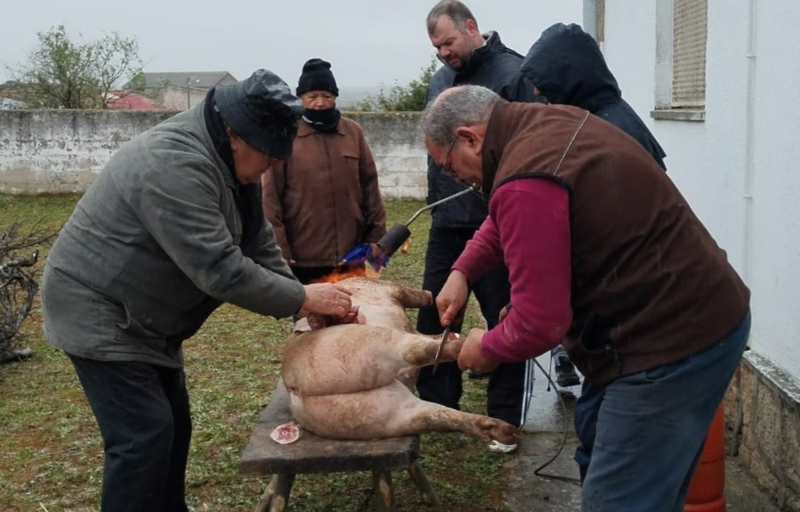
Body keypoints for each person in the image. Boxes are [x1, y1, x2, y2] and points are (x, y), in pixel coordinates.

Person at [421, 85, 750, 510]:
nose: (456, 179)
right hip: (681, 314)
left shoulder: (524, 176)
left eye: (449, 167)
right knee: (613, 458)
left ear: (469, 138)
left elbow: (538, 323)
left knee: (619, 500)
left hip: (669, 341)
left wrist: (485, 348)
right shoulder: (540, 124)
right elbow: (505, 218)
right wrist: (463, 271)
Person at [41, 69, 355, 512]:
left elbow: (257, 240)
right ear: (234, 134)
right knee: (143, 438)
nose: (271, 166)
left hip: (147, 318)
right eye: (268, 156)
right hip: (99, 310)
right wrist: (304, 298)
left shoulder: (230, 158)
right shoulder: (173, 164)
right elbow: (220, 269)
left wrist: (297, 300)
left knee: (173, 427)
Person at [515, 22, 669, 390]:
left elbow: (621, 228)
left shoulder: (614, 131)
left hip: (634, 310)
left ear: (571, 78)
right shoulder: (599, 119)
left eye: (544, 81)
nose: (537, 92)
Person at [416, 0, 535, 451]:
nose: (443, 53)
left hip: (497, 221)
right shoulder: (439, 81)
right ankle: (440, 408)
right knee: (434, 315)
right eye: (436, 48)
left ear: (471, 27)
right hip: (446, 222)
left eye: (448, 42)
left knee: (504, 316)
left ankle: (503, 422)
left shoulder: (514, 74)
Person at [261, 58, 387, 284]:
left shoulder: (353, 132)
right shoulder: (286, 135)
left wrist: (376, 237)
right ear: (300, 98)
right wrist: (280, 247)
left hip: (351, 254)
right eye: (312, 96)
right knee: (308, 308)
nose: (320, 103)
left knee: (352, 306)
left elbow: (370, 186)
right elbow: (270, 197)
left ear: (335, 97)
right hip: (302, 257)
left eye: (326, 96)